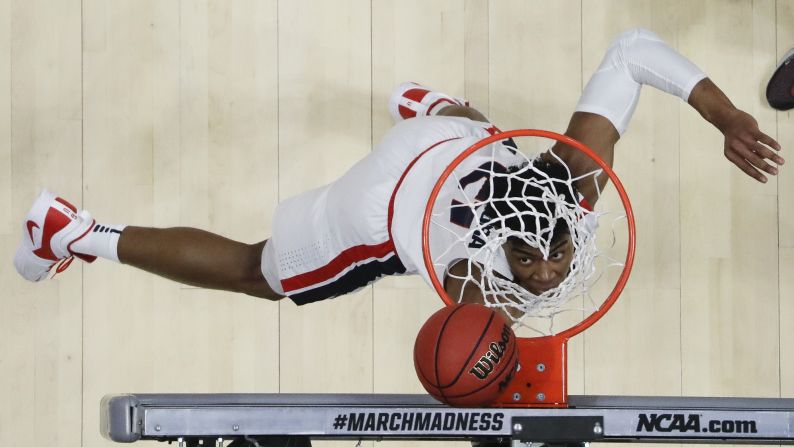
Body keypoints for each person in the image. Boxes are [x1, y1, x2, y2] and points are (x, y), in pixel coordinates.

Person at [14, 28, 783, 312]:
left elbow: (632, 48)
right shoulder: (475, 280)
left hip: (459, 147)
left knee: (490, 139)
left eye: (552, 254)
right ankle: (73, 230)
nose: (549, 274)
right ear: (501, 254)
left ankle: (437, 109)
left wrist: (727, 116)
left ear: (567, 203)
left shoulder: (575, 176)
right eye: (536, 262)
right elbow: (472, 371)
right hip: (383, 205)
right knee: (258, 271)